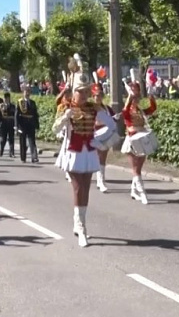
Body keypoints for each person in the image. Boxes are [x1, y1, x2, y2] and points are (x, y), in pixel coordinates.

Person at [53, 58, 117, 247]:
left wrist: (98, 139)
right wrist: (65, 118)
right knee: (77, 187)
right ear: (74, 92)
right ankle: (80, 226)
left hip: (88, 151)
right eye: (81, 92)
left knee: (86, 188)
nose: (85, 95)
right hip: (73, 151)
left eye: (86, 92)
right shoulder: (66, 107)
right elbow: (55, 130)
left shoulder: (93, 107)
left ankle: (80, 223)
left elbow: (112, 124)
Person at [120, 76, 157, 204]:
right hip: (132, 140)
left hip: (142, 139)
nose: (136, 99)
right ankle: (142, 192)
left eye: (138, 97)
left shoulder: (141, 110)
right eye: (134, 97)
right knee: (135, 167)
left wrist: (151, 97)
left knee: (139, 168)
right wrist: (129, 99)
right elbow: (124, 113)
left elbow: (152, 109)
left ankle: (133, 190)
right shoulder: (127, 110)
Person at [92, 83, 116, 193]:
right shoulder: (90, 108)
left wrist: (115, 117)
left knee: (103, 157)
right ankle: (98, 180)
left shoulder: (107, 108)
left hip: (105, 135)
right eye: (96, 95)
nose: (98, 97)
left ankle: (101, 180)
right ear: (93, 96)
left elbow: (113, 120)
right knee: (97, 157)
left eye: (100, 95)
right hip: (94, 135)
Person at [16, 83, 40, 163]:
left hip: (31, 124)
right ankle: (23, 157)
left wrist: (37, 124)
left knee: (32, 141)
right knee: (23, 141)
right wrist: (17, 126)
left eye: (28, 91)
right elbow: (17, 115)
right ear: (23, 92)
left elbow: (35, 114)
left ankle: (34, 157)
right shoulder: (20, 102)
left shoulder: (32, 102)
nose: (27, 93)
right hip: (23, 124)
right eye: (26, 91)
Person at [0, 91, 16, 158]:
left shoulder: (13, 106)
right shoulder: (1, 106)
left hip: (11, 124)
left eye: (7, 98)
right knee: (3, 139)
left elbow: (15, 116)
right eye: (5, 98)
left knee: (11, 139)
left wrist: (15, 124)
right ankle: (1, 151)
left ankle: (12, 153)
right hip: (3, 124)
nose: (5, 99)